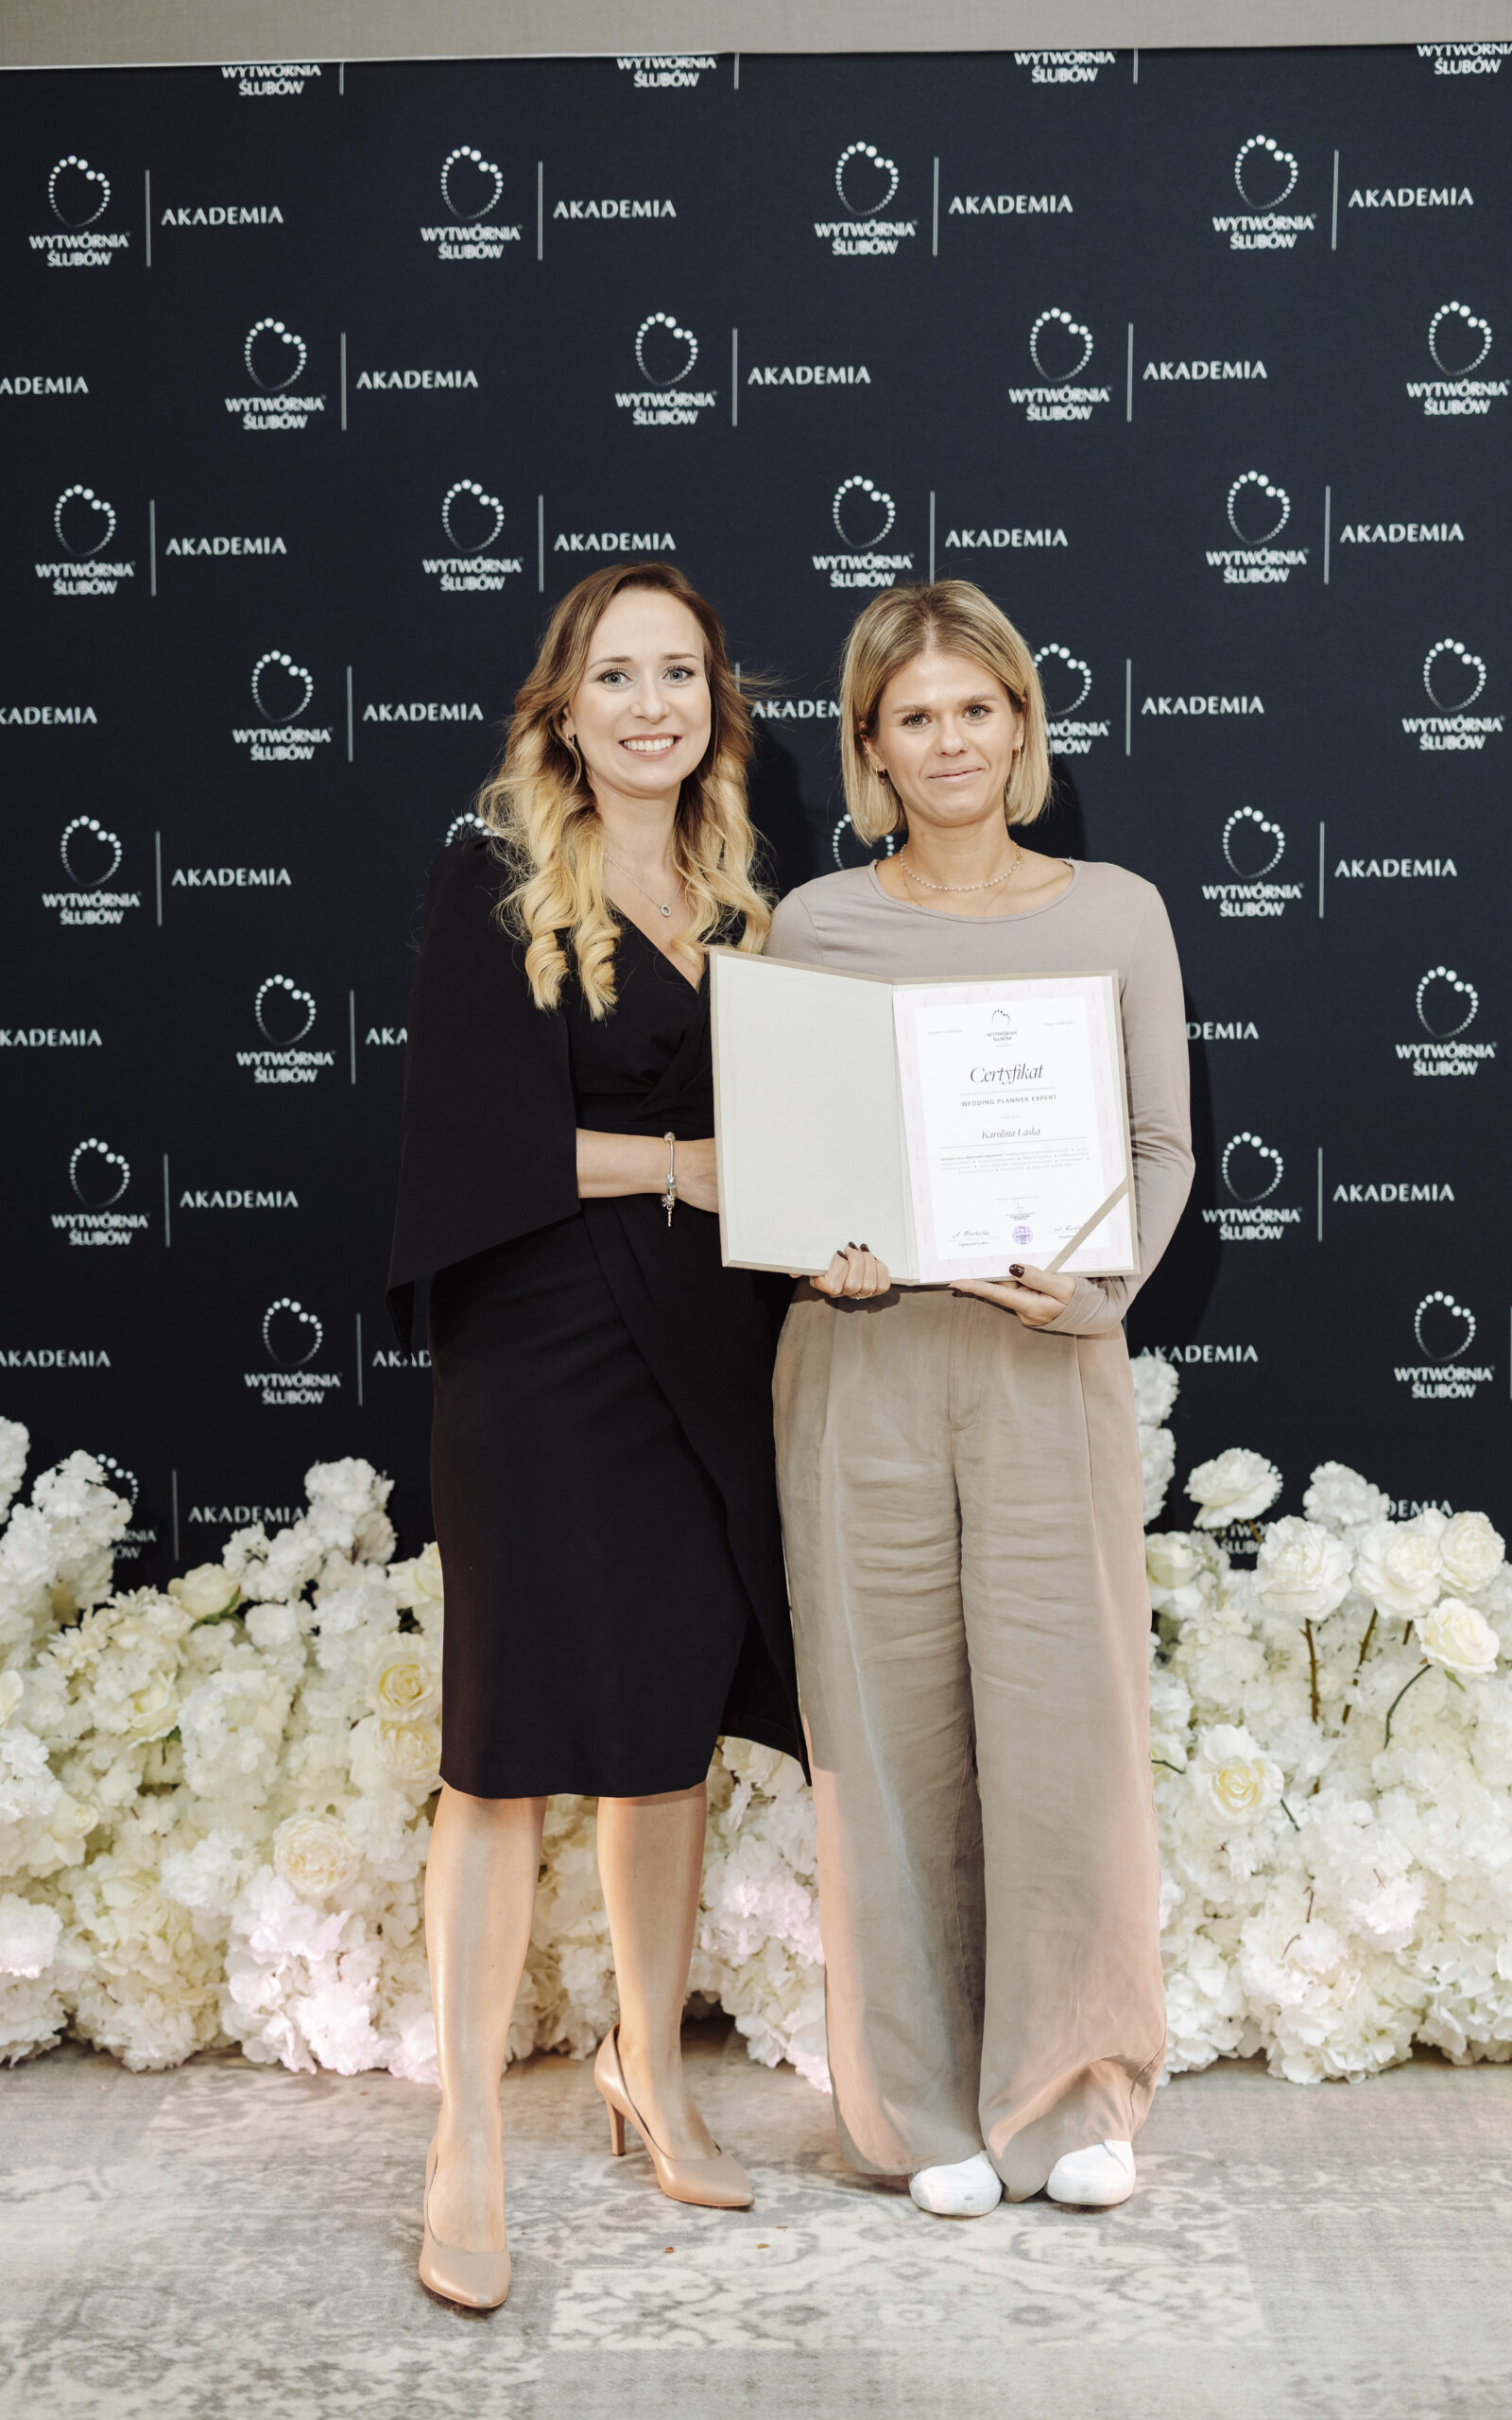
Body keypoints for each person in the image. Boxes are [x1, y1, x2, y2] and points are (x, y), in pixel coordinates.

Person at [387, 562, 819, 2309]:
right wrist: (683, 1170)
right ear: (563, 708)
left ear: (718, 702)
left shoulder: (746, 892)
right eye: (620, 676)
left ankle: (649, 2067)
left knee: (661, 1744)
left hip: (708, 1348)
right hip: (536, 1345)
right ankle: (466, 2138)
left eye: (682, 675)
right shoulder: (492, 878)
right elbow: (468, 1149)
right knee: (499, 1756)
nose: (654, 706)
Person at [766, 580, 1193, 2219]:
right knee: (884, 1742)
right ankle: (918, 2110)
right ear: (870, 747)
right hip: (864, 1365)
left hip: (1046, 1361)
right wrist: (821, 1251)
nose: (948, 742)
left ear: (1022, 726)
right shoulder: (817, 927)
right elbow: (797, 1165)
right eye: (913, 717)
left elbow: (1158, 1147)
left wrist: (1094, 1287)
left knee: (1066, 1730)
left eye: (976, 708)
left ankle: (1073, 2097)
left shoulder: (1120, 912)